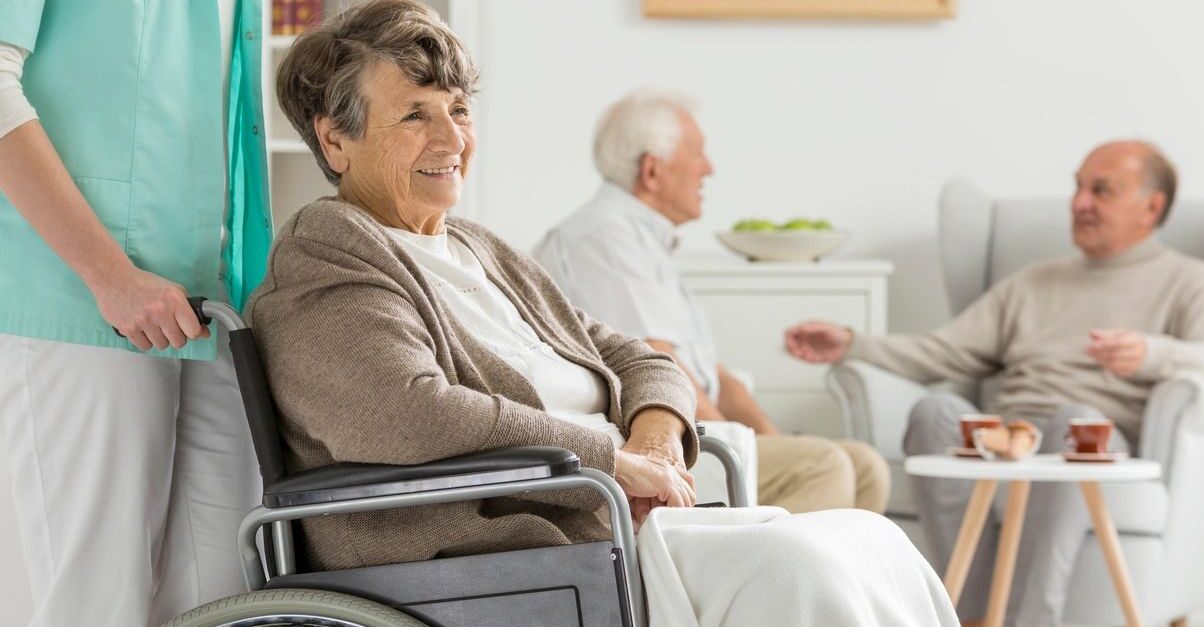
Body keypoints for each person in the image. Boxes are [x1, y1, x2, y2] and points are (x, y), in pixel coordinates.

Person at [247, 2, 958, 625]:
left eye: (459, 110)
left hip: (611, 517)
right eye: (414, 115)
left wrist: (650, 451)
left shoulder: (475, 247)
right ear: (335, 140)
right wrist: (608, 462)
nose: (452, 139)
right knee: (801, 566)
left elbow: (641, 359)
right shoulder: (328, 252)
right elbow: (407, 411)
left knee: (875, 541)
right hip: (508, 546)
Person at [784, 141, 1204, 626]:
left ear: (1152, 207)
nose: (1079, 202)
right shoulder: (1035, 281)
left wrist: (1151, 353)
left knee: (1075, 420)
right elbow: (945, 350)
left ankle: (1031, 618)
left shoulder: (1190, 281)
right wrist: (853, 344)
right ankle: (969, 614)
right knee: (934, 411)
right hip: (1009, 432)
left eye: (1101, 191)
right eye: (1079, 186)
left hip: (1090, 434)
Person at [0, 2, 271, 625]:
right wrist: (110, 276)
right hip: (84, 303)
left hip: (215, 306)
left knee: (224, 600)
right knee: (99, 605)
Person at [533, 90, 890, 515]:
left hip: (695, 429)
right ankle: (768, 579)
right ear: (652, 170)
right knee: (823, 465)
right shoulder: (602, 240)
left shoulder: (641, 240)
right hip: (651, 450)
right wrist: (732, 446)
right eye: (698, 153)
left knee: (866, 466)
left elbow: (712, 376)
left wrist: (769, 440)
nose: (709, 168)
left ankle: (836, 583)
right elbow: (659, 365)